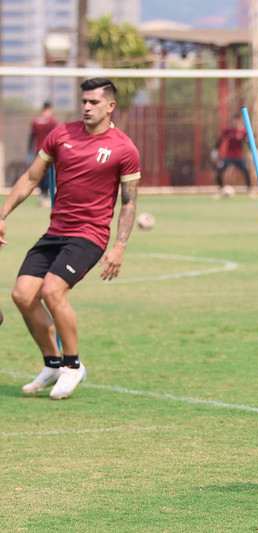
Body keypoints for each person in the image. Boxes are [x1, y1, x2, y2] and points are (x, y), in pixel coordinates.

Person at [0, 78, 141, 400]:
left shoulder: (123, 147)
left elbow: (129, 202)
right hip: (55, 232)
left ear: (110, 106)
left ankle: (73, 365)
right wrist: (3, 214)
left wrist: (119, 246)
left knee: (52, 290)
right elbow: (32, 177)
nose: (87, 107)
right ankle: (52, 363)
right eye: (84, 101)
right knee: (22, 295)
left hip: (89, 236)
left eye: (93, 102)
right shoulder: (61, 135)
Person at [212, 113, 254, 198]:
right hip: (228, 157)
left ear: (240, 121)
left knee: (246, 172)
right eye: (235, 121)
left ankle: (250, 191)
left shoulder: (243, 131)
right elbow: (220, 140)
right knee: (219, 171)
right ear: (233, 121)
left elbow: (249, 143)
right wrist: (215, 150)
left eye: (238, 121)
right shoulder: (228, 130)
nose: (236, 123)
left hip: (239, 157)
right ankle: (221, 190)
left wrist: (255, 151)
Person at [28, 101, 59, 206]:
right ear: (49, 109)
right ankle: (49, 195)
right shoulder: (52, 121)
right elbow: (55, 136)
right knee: (49, 173)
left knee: (39, 173)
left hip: (38, 151)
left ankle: (43, 195)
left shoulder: (35, 121)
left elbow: (31, 136)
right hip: (50, 150)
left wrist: (29, 150)